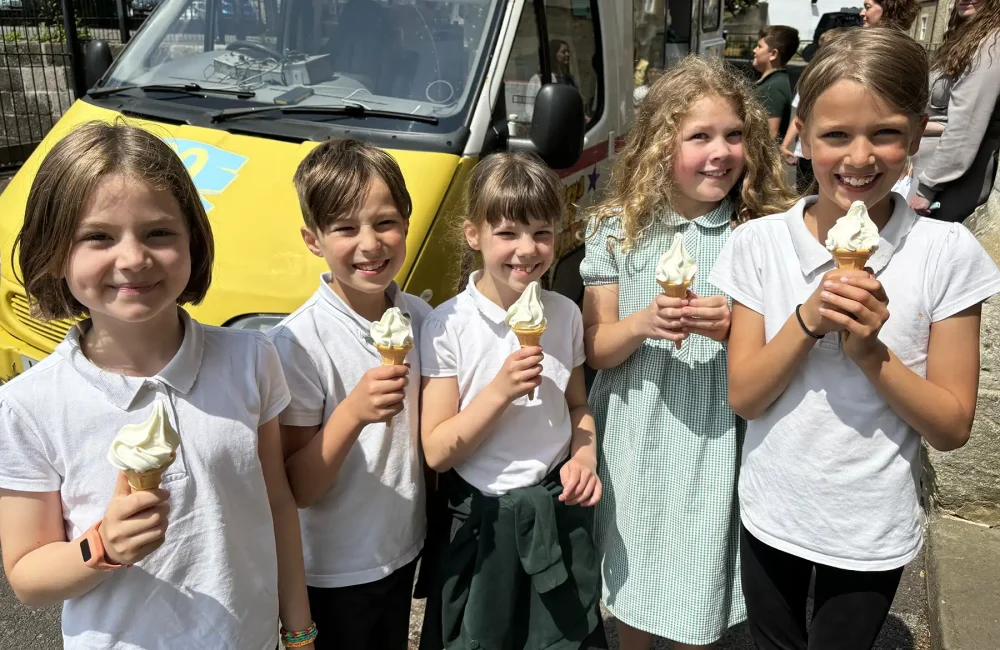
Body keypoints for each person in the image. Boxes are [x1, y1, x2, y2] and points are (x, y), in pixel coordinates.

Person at [711, 27, 1000, 650]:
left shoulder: (946, 253)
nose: (860, 158)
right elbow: (746, 395)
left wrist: (871, 352)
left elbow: (951, 427)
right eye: (836, 136)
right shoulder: (757, 245)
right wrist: (809, 318)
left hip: (872, 525)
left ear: (921, 129)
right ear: (803, 131)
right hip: (772, 510)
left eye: (887, 133)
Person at [0, 121, 315, 649]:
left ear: (194, 237)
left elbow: (276, 504)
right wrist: (103, 546)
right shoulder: (29, 405)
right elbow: (27, 575)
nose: (133, 258)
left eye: (159, 232)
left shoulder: (251, 359)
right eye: (97, 236)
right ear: (54, 252)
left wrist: (300, 629)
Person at [580, 56, 797, 650]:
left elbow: (792, 339)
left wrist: (735, 328)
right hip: (638, 423)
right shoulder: (618, 229)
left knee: (697, 565)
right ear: (659, 145)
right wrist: (641, 323)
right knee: (636, 563)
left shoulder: (759, 231)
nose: (719, 152)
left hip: (718, 427)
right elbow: (596, 347)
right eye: (698, 136)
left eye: (733, 135)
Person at [418, 151, 608, 650]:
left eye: (542, 232)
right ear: (473, 235)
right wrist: (499, 391)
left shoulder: (563, 314)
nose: (527, 249)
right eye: (507, 233)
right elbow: (437, 451)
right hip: (482, 523)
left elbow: (576, 407)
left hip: (553, 509)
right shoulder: (448, 326)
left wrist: (584, 454)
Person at [268, 138, 428, 650]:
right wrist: (353, 413)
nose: (369, 244)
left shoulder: (422, 319)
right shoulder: (296, 344)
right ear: (312, 239)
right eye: (344, 227)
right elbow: (296, 487)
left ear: (405, 221)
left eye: (384, 222)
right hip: (332, 571)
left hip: (403, 547)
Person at [911, 0, 1000, 222]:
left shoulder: (993, 43)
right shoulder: (969, 36)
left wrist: (927, 188)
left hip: (946, 186)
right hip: (927, 172)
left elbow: (966, 122)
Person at [781, 27, 852, 194]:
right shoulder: (810, 79)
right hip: (806, 154)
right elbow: (800, 114)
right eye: (821, 48)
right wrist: (786, 144)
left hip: (835, 151)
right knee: (805, 196)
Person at [752, 25, 800, 142]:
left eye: (759, 47)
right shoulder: (773, 81)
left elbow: (769, 134)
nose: (754, 50)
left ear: (773, 54)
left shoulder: (773, 87)